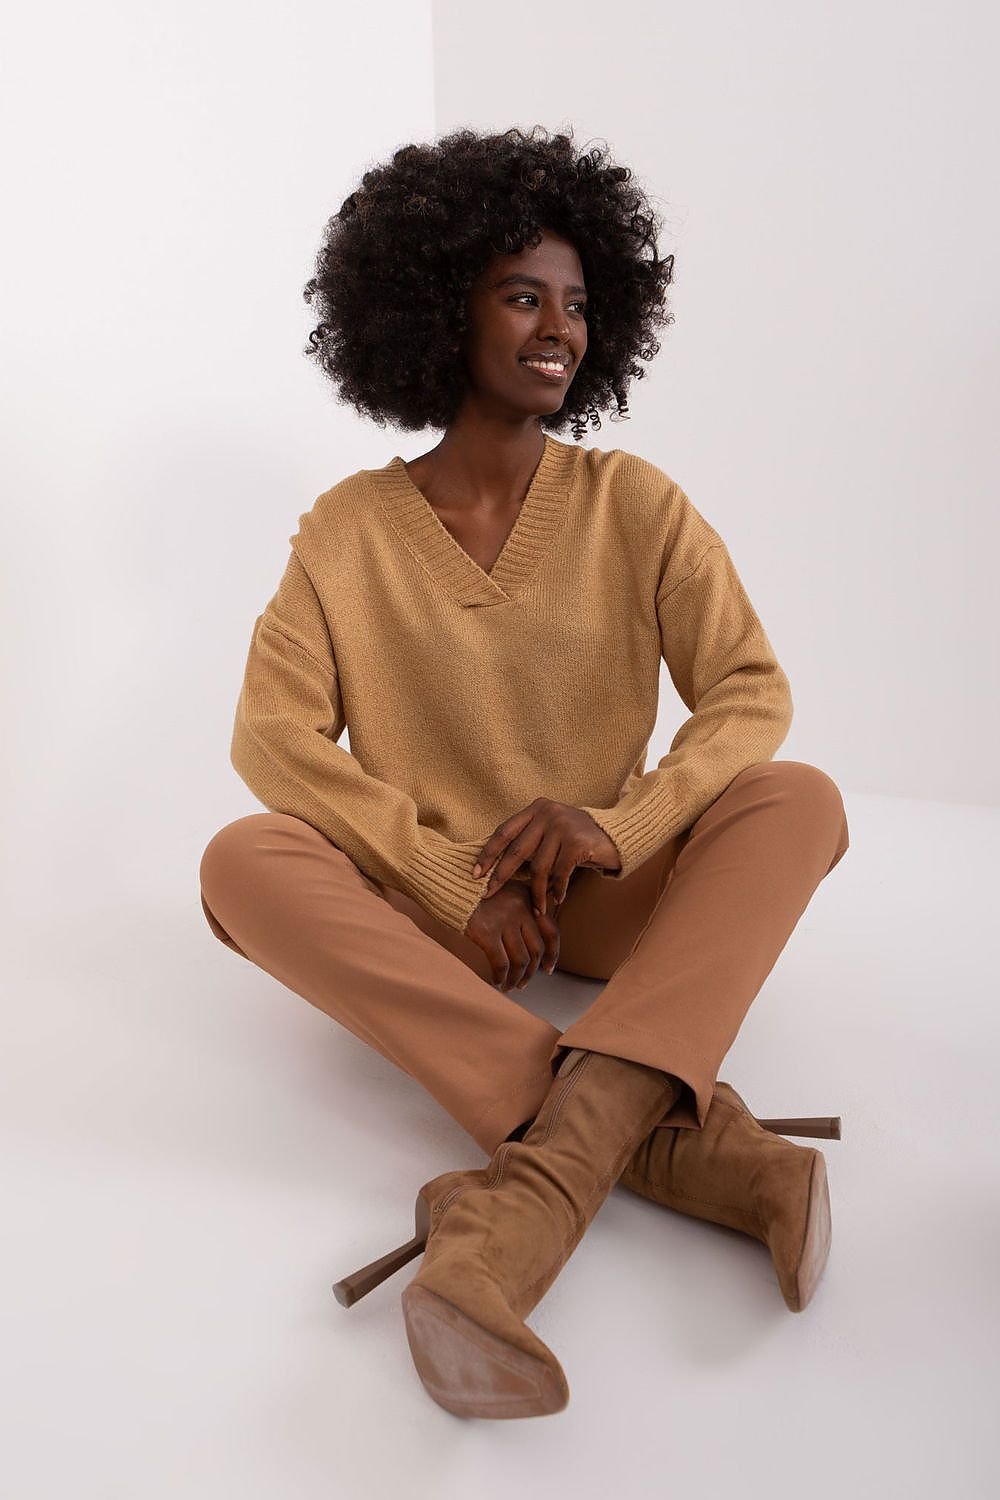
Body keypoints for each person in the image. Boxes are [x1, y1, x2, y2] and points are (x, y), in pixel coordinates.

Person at [198, 125, 850, 1419]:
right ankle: (701, 1155)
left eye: (579, 304)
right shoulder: (346, 534)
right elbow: (269, 739)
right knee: (240, 860)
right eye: (523, 296)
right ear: (443, 309)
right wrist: (448, 880)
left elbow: (751, 691)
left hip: (603, 897)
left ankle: (515, 1213)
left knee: (800, 798)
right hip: (451, 927)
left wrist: (625, 824)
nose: (560, 327)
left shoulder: (637, 504)